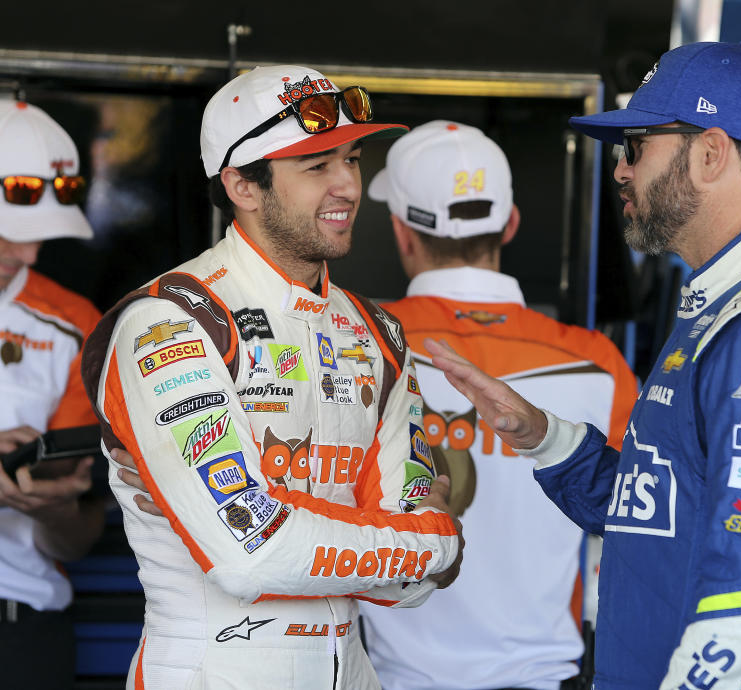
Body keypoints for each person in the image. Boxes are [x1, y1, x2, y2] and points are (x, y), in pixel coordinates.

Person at [424, 42, 741, 689]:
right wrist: (541, 435)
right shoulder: (727, 304)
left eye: (635, 145)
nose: (620, 170)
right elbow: (663, 514)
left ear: (711, 153)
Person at [80, 65, 464, 690]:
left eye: (353, 158)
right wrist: (437, 538)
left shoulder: (379, 333)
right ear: (242, 185)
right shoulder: (169, 322)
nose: (348, 185)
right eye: (316, 166)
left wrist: (296, 523)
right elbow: (247, 553)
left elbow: (413, 586)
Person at [358, 120, 638, 690]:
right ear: (509, 223)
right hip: (546, 678)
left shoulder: (356, 344)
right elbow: (637, 528)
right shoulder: (599, 364)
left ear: (401, 231)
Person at [0, 100, 106, 689]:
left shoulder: (76, 323)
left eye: (45, 234)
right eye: (14, 231)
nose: (32, 254)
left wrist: (56, 505)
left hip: (25, 628)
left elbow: (77, 535)